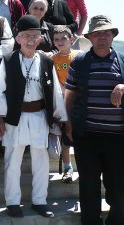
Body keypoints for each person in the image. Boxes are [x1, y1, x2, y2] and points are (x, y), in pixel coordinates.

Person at [0, 15, 67, 219]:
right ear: (18, 38)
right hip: (14, 117)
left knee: (41, 162)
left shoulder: (46, 61)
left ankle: (40, 201)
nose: (30, 40)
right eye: (26, 36)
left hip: (39, 116)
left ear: (40, 39)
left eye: (35, 36)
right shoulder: (8, 61)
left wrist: (59, 119)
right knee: (12, 161)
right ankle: (13, 202)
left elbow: (55, 93)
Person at [64, 15, 124, 225]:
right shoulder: (79, 62)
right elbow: (69, 96)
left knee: (118, 189)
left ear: (113, 35)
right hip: (87, 136)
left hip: (118, 139)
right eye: (97, 33)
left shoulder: (123, 61)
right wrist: (68, 124)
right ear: (90, 37)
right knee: (88, 187)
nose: (102, 37)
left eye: (106, 33)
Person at [51, 25, 81, 184]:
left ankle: (84, 166)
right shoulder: (53, 59)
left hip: (79, 102)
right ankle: (67, 167)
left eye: (64, 38)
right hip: (62, 102)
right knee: (65, 137)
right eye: (56, 39)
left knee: (80, 134)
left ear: (71, 39)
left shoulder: (79, 56)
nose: (60, 41)